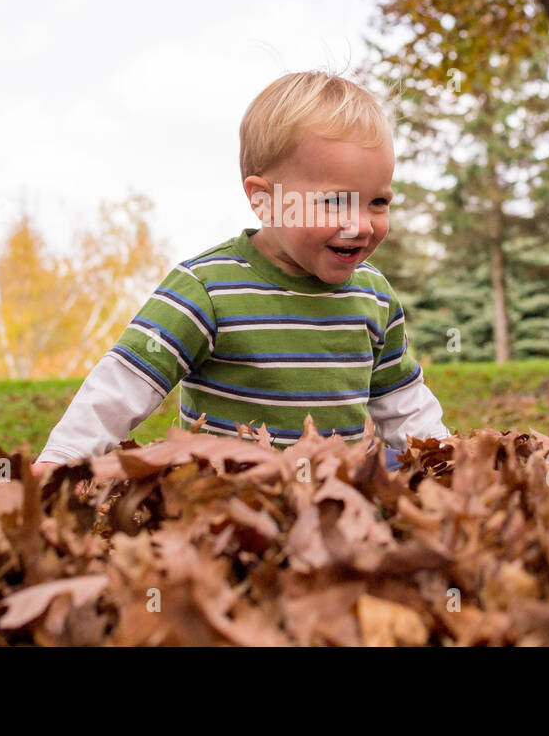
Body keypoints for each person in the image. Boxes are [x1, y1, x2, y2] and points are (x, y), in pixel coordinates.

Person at [31, 70, 450, 476]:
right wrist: (64, 458)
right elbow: (125, 382)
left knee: (395, 470)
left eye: (377, 202)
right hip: (234, 497)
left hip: (340, 495)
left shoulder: (373, 296)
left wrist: (442, 454)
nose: (361, 224)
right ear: (264, 200)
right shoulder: (207, 288)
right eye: (335, 202)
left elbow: (402, 398)